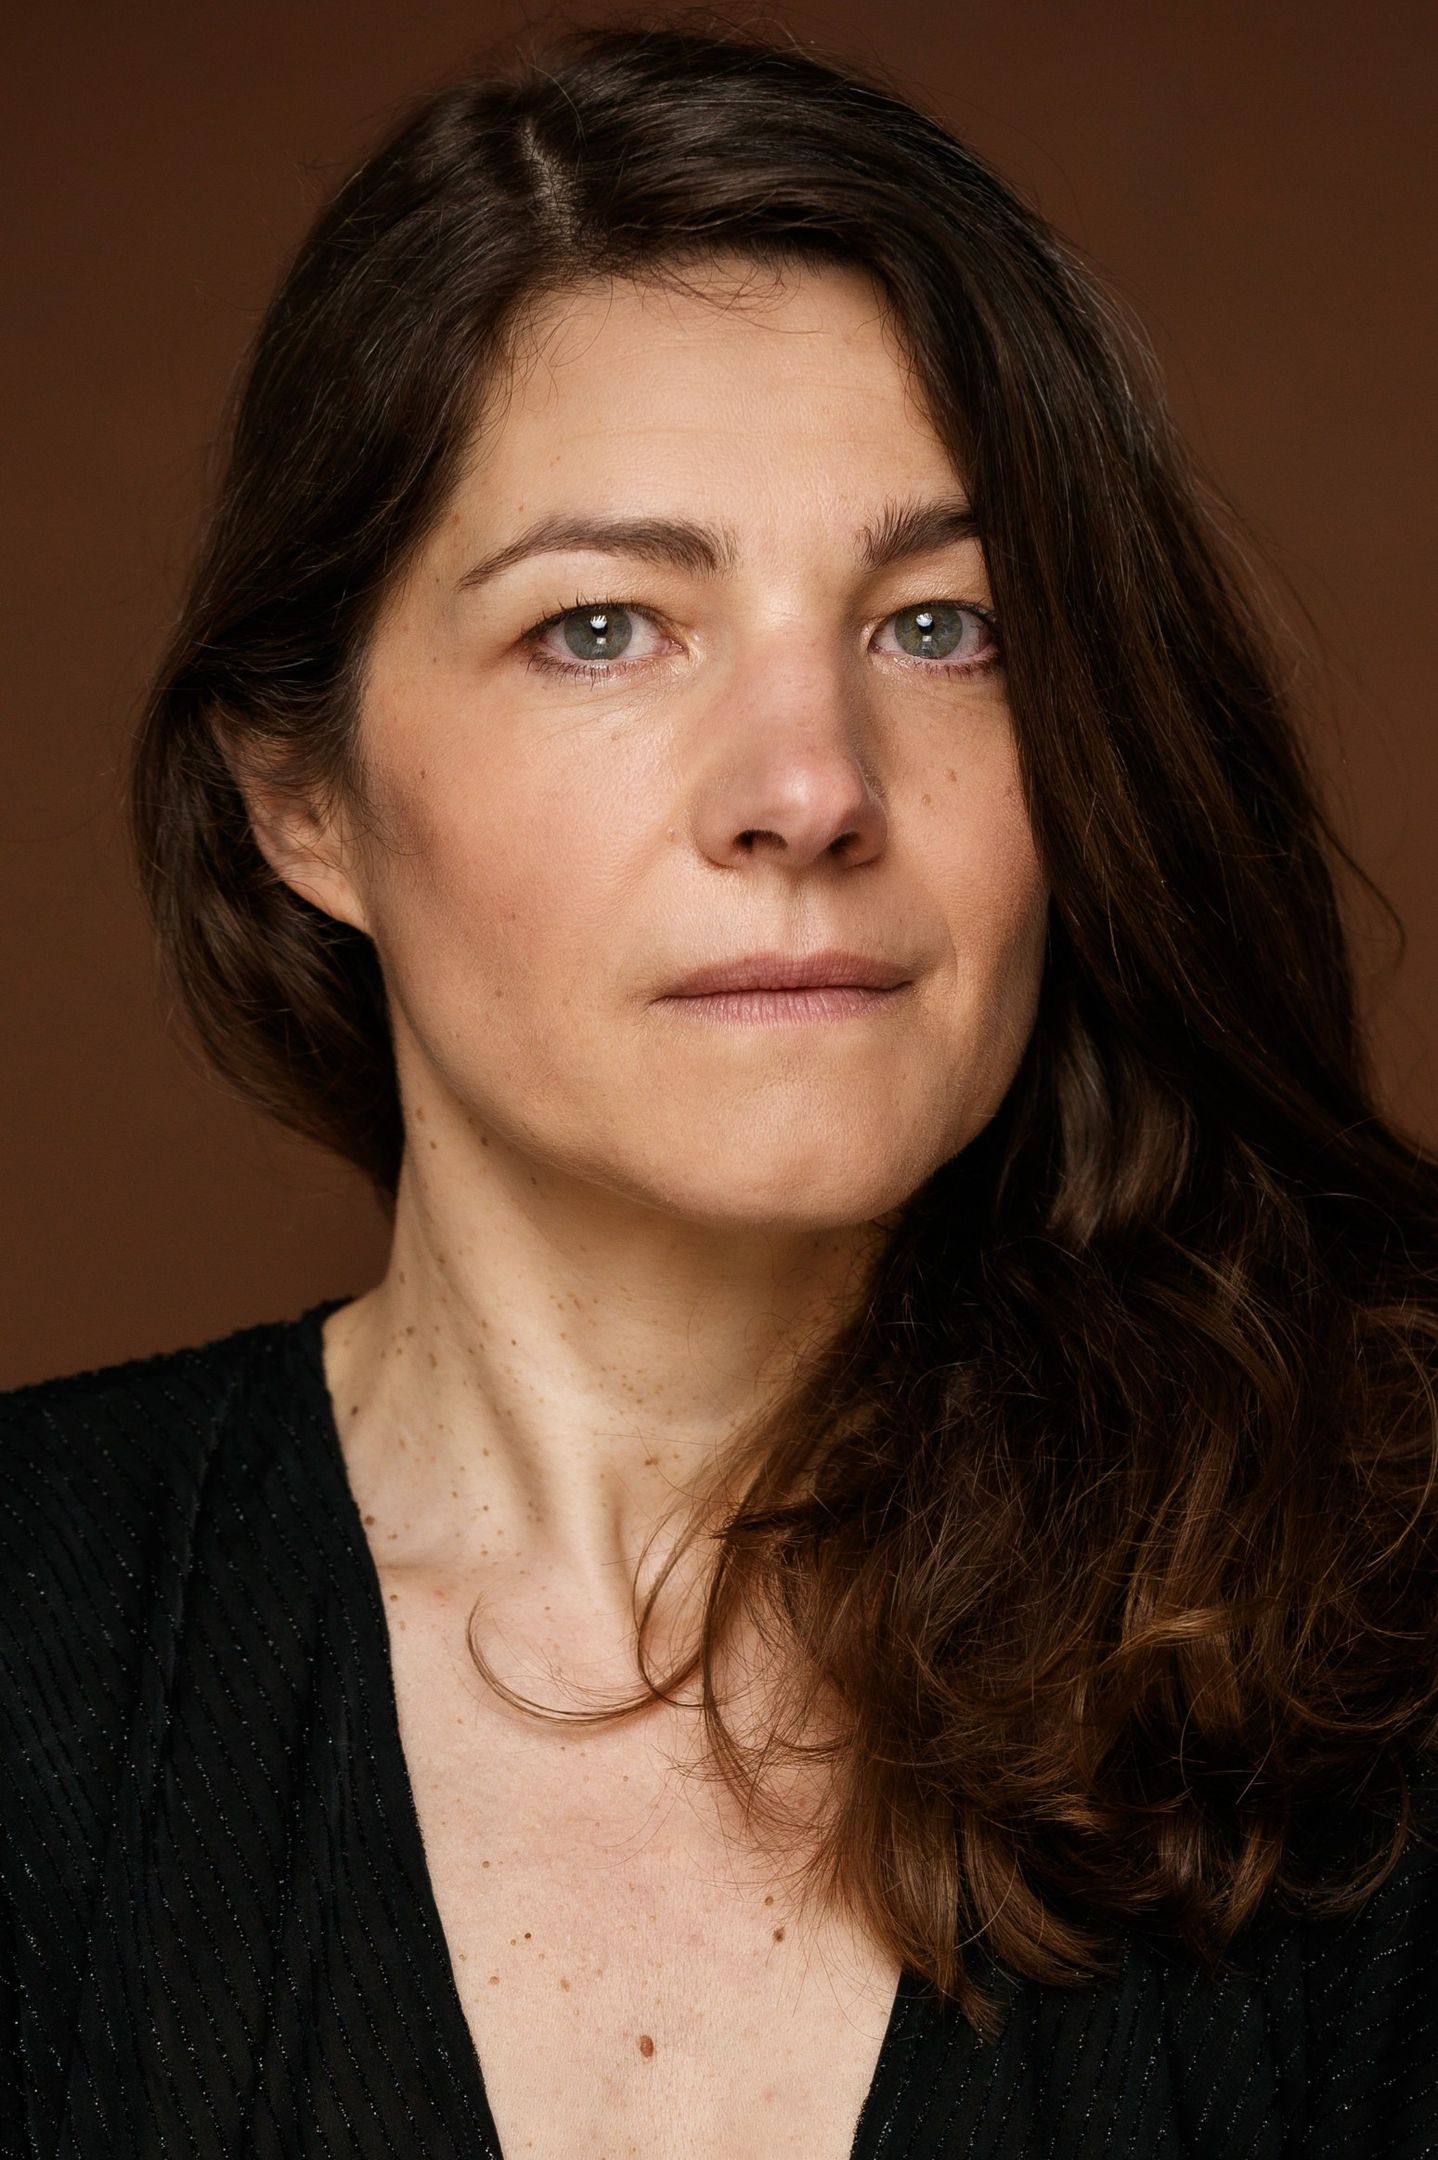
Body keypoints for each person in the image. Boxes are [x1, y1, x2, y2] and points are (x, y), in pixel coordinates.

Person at [4, 13, 1437, 2157]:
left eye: (942, 626)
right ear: (298, 798)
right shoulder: (42, 1636)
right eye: (602, 628)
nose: (809, 789)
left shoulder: (1385, 1627)